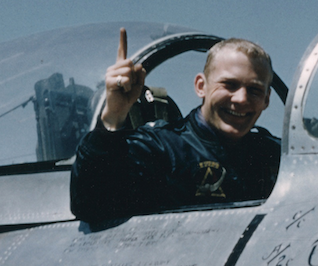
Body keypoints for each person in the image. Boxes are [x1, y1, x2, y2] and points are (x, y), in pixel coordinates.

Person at [70, 28, 280, 221]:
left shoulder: (276, 155)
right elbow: (91, 205)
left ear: (267, 100)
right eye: (229, 85)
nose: (241, 99)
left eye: (254, 90)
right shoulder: (160, 147)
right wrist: (113, 116)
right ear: (201, 86)